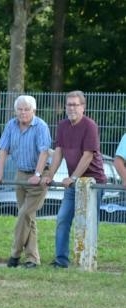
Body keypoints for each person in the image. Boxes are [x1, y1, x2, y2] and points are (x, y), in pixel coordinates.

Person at [42, 90, 106, 268]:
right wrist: (49, 175)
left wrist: (73, 177)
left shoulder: (90, 125)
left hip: (94, 182)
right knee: (63, 218)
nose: (71, 108)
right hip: (73, 182)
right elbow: (59, 152)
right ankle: (61, 260)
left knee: (89, 222)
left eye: (75, 105)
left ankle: (88, 259)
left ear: (83, 107)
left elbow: (88, 156)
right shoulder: (62, 125)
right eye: (69, 104)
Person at [0, 95, 51, 269]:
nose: (23, 113)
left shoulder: (41, 126)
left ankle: (15, 255)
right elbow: (3, 150)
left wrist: (38, 174)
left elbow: (44, 152)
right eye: (20, 109)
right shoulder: (11, 125)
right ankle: (32, 259)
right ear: (15, 110)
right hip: (21, 175)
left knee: (24, 214)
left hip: (38, 175)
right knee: (28, 218)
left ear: (34, 110)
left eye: (27, 109)